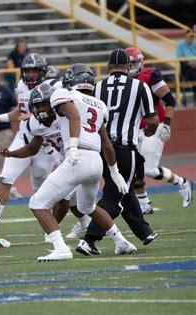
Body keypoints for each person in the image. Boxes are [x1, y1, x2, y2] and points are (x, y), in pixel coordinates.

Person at [0, 77, 135, 261]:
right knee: (87, 206)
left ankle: (61, 248)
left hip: (76, 158)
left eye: (44, 104)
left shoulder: (63, 99)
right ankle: (121, 241)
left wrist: (72, 149)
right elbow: (105, 143)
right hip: (95, 161)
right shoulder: (96, 105)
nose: (42, 110)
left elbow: (74, 117)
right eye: (38, 106)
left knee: (37, 203)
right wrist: (114, 171)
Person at [80, 49, 160, 253]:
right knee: (114, 195)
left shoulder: (97, 87)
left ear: (108, 67)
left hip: (101, 148)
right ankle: (89, 239)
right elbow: (152, 120)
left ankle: (144, 231)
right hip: (124, 148)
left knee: (125, 189)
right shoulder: (140, 86)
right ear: (129, 66)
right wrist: (148, 132)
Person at [0, 53, 57, 231]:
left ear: (42, 71)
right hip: (23, 138)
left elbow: (55, 113)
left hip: (44, 144)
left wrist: (35, 116)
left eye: (35, 70)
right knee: (6, 178)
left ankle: (55, 229)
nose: (31, 74)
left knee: (43, 191)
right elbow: (19, 112)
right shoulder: (21, 86)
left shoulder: (51, 87)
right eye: (28, 71)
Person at [126, 47, 193, 212]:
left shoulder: (150, 76)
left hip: (155, 125)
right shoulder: (121, 80)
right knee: (134, 168)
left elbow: (170, 100)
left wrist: (167, 124)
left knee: (149, 169)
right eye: (130, 62)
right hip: (134, 127)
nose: (133, 65)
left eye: (135, 61)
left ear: (141, 61)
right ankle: (144, 205)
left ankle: (182, 182)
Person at [176, 28, 196, 102]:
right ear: (186, 37)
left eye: (192, 37)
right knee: (194, 75)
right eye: (190, 37)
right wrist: (189, 63)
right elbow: (180, 57)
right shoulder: (181, 45)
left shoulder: (195, 44)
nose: (191, 38)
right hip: (187, 67)